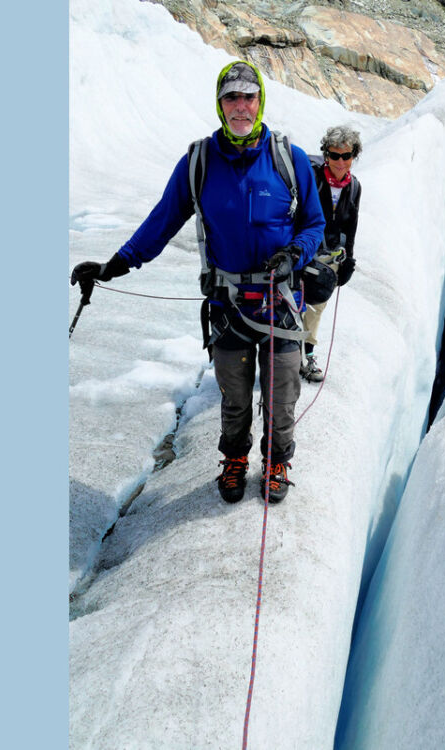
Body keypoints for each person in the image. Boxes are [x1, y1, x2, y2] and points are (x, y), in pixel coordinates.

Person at [71, 60, 325, 504]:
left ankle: (277, 460)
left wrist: (294, 254)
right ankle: (234, 460)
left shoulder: (289, 158)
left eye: (249, 97)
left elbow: (314, 224)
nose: (240, 107)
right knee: (234, 396)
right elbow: (161, 222)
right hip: (229, 305)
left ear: (260, 101)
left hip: (279, 301)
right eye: (232, 98)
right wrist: (114, 265)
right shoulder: (200, 161)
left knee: (281, 393)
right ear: (219, 104)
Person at [300, 126, 363, 382]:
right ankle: (285, 356)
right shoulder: (312, 178)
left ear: (353, 156)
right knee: (290, 302)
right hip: (303, 252)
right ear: (326, 155)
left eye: (346, 156)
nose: (340, 162)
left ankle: (307, 354)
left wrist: (348, 258)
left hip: (329, 259)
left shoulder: (354, 187)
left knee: (316, 307)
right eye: (334, 155)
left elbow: (351, 225)